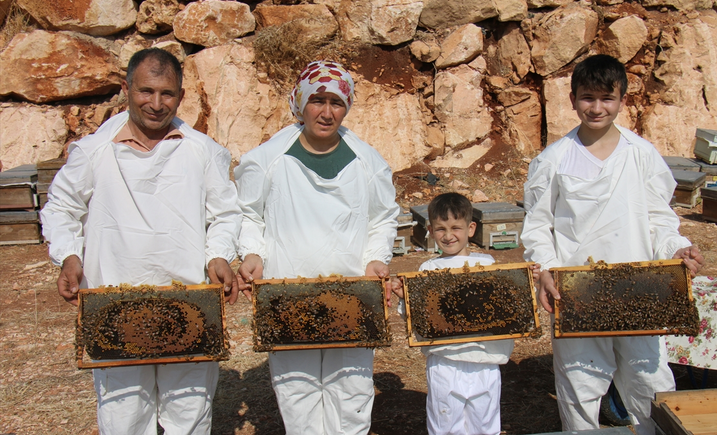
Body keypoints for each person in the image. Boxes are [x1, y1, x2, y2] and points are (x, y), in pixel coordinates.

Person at [40, 48, 241, 434]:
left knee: (189, 416)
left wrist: (218, 255)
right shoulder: (93, 151)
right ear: (126, 88)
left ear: (181, 96)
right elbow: (61, 208)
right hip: (114, 303)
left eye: (167, 94)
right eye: (145, 91)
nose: (156, 103)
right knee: (124, 418)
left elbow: (225, 214)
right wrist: (68, 255)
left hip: (189, 302)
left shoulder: (203, 151)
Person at [520, 54, 705, 435]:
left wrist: (677, 248)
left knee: (649, 383)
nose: (597, 107)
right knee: (580, 387)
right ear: (572, 100)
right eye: (588, 98)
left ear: (622, 100)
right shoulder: (553, 160)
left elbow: (659, 219)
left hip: (640, 290)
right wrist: (547, 269)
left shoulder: (642, 155)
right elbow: (538, 227)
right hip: (577, 292)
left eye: (607, 98)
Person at [234, 60, 399, 435]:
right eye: (317, 100)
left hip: (352, 297)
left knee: (352, 396)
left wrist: (376, 259)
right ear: (300, 102)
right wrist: (253, 253)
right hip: (287, 295)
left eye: (337, 102)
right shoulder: (267, 159)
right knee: (298, 396)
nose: (327, 112)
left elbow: (383, 218)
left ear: (348, 106)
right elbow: (249, 214)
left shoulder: (368, 163)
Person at [394, 192, 514, 435]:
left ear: (471, 228)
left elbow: (511, 309)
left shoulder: (490, 265)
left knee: (485, 426)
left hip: (485, 361)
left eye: (455, 228)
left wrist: (525, 283)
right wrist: (404, 298)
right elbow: (419, 316)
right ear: (430, 230)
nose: (448, 236)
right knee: (445, 427)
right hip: (444, 362)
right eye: (440, 229)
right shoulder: (428, 268)